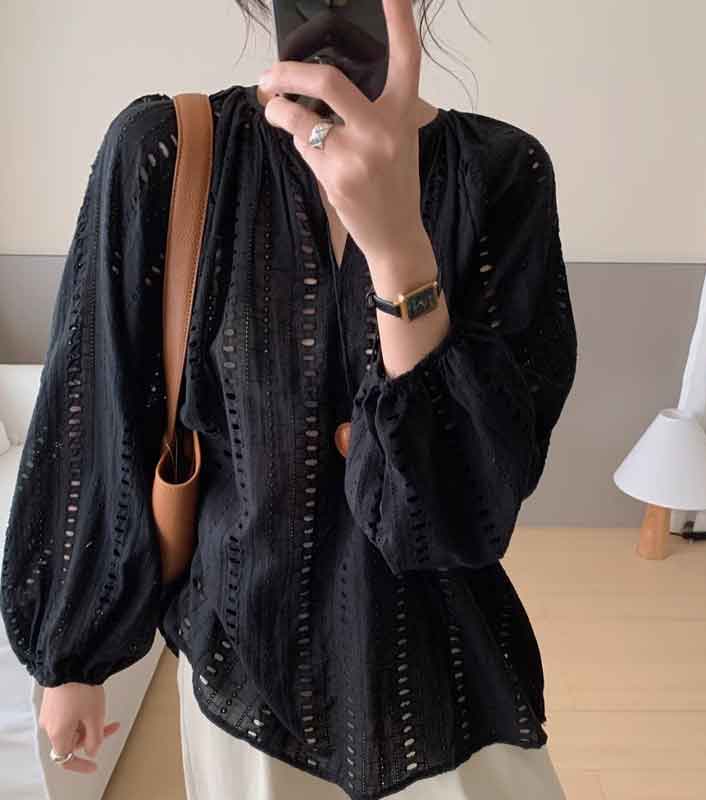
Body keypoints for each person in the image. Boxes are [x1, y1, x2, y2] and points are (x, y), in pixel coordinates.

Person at [1, 1, 577, 797]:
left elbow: (468, 515)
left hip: (445, 679)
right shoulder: (170, 153)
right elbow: (95, 418)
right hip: (246, 674)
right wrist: (72, 658)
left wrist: (400, 254)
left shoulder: (503, 174)